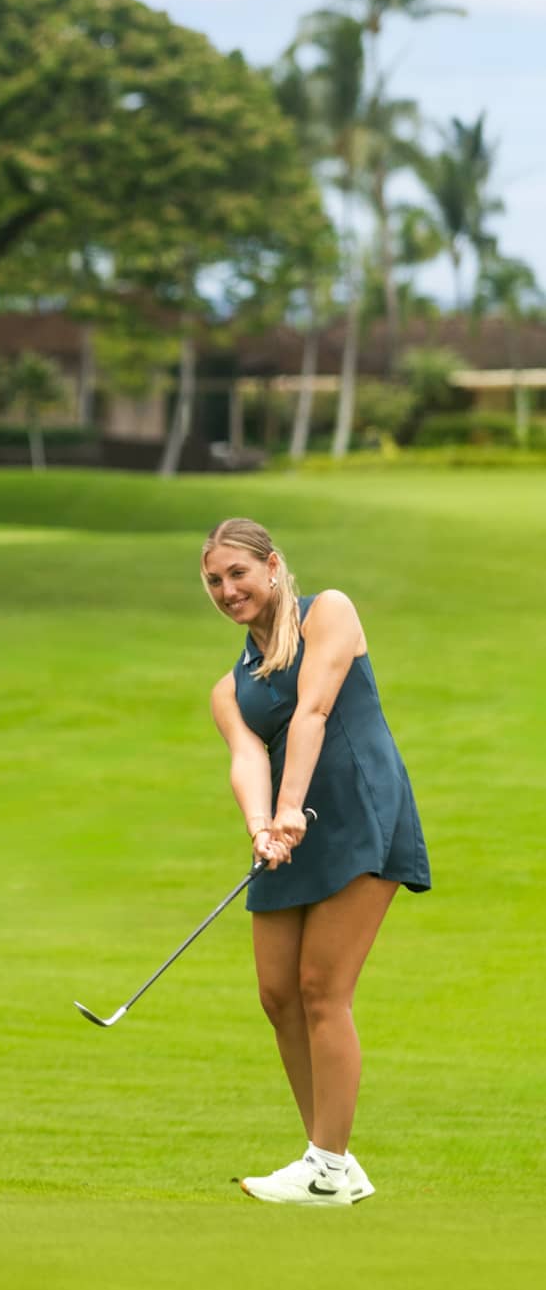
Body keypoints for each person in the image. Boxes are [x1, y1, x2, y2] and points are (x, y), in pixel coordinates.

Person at [201, 517, 430, 1207]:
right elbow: (246, 757)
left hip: (358, 809)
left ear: (272, 565)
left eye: (238, 572)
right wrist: (260, 825)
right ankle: (330, 1158)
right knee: (278, 993)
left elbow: (314, 709)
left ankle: (326, 1164)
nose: (227, 588)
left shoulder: (329, 611)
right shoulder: (228, 687)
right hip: (288, 827)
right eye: (213, 580)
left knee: (322, 987)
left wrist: (290, 807)